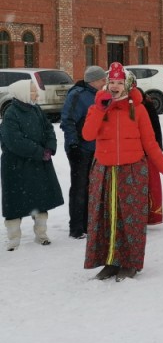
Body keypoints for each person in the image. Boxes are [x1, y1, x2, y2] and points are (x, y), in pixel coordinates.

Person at [82, 63, 163, 281]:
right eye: (112, 82)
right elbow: (88, 135)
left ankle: (130, 263)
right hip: (105, 170)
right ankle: (110, 261)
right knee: (106, 218)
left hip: (132, 170)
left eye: (119, 82)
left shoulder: (139, 110)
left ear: (126, 85)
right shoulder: (96, 108)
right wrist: (100, 109)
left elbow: (150, 144)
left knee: (131, 219)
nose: (115, 86)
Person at [1, 79, 64, 250]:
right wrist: (38, 152)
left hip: (38, 164)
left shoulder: (36, 109)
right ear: (23, 93)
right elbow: (14, 141)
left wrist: (50, 147)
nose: (37, 94)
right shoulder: (11, 113)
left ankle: (41, 234)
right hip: (16, 166)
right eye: (33, 91)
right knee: (15, 203)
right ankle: (14, 239)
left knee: (40, 200)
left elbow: (49, 129)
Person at [60, 65, 107, 238]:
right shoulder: (77, 95)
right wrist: (73, 145)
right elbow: (68, 121)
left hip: (95, 148)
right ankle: (76, 227)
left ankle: (89, 223)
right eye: (102, 79)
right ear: (93, 80)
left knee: (92, 186)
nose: (105, 82)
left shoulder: (99, 95)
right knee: (79, 187)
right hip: (79, 148)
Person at [130, 75, 163, 225]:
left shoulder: (144, 102)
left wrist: (156, 149)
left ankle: (148, 214)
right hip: (132, 151)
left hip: (146, 151)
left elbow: (154, 129)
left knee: (148, 184)